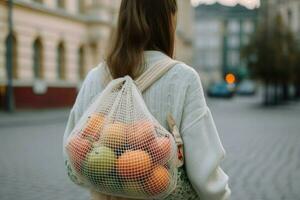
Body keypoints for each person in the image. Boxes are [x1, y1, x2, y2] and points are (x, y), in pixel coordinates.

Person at [63, 0, 231, 200]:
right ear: (168, 20)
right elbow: (204, 173)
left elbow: (72, 155)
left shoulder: (95, 77)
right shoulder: (183, 78)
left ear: (123, 19)